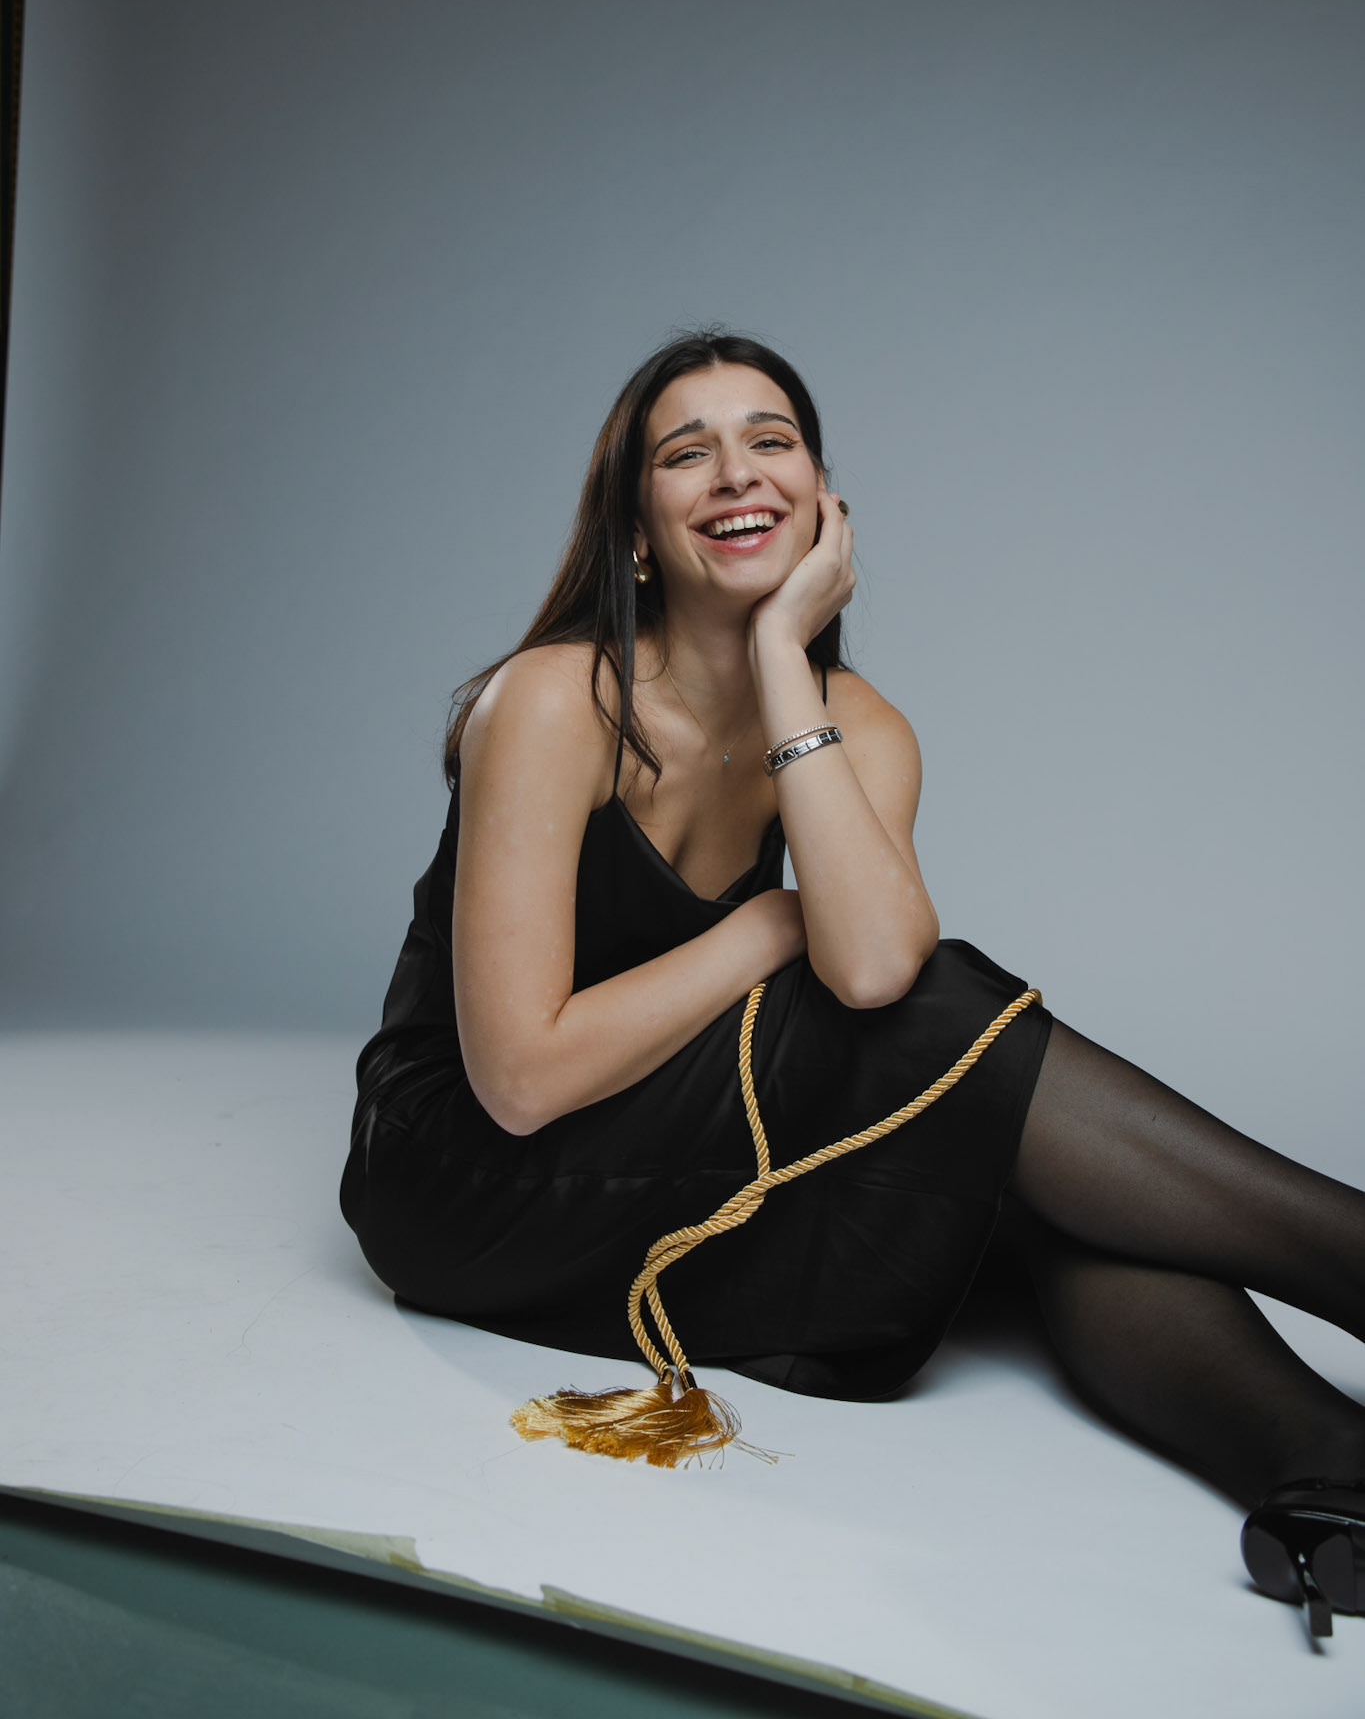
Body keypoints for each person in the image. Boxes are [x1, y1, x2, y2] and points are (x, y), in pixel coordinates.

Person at [341, 329, 1365, 1636]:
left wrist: (782, 660)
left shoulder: (854, 722)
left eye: (769, 441)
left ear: (821, 500)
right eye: (687, 453)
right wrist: (768, 925)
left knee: (1024, 1186)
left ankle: (1322, 1467)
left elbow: (872, 964)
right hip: (471, 1177)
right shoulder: (553, 700)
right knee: (947, 1024)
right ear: (638, 532)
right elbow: (523, 1080)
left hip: (672, 1138)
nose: (736, 472)